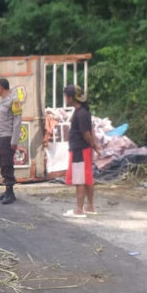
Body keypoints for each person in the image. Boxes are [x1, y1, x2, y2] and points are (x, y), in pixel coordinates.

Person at [62, 84, 100, 218]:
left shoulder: (80, 114)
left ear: (71, 98)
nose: (65, 98)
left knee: (80, 180)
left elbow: (86, 134)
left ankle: (79, 209)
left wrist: (93, 145)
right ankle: (90, 206)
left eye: (66, 96)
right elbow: (90, 131)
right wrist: (94, 145)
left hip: (80, 150)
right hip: (84, 149)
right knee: (87, 178)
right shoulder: (83, 111)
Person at [0, 78, 22, 205]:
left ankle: (10, 192)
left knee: (7, 164)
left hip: (8, 137)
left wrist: (14, 140)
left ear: (1, 87)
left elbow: (17, 121)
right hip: (1, 137)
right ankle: (7, 190)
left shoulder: (14, 101)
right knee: (3, 163)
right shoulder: (3, 102)